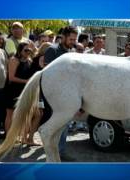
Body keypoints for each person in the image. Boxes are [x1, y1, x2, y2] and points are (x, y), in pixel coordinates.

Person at [43, 26, 78, 161]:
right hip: (55, 95)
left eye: (75, 39)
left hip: (69, 96)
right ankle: (51, 152)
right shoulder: (52, 50)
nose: (73, 42)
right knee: (56, 125)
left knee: (65, 125)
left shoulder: (73, 52)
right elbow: (47, 74)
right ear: (63, 37)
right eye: (71, 39)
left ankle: (60, 151)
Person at [5, 42, 40, 145]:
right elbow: (11, 78)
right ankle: (9, 137)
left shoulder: (29, 60)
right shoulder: (14, 60)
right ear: (20, 50)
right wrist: (26, 81)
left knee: (25, 115)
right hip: (12, 90)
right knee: (10, 114)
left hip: (23, 91)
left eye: (29, 50)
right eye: (25, 50)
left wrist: (34, 50)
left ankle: (24, 137)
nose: (28, 52)